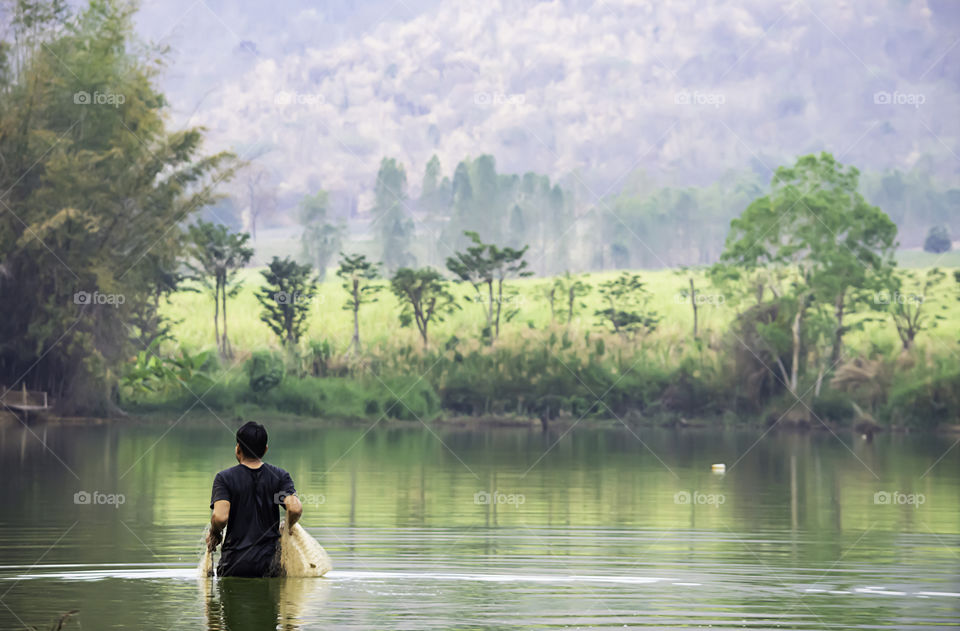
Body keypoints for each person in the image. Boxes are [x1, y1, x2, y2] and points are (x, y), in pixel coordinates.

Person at [206, 421, 303, 577]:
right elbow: (295, 508)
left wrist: (215, 532)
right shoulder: (279, 477)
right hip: (270, 565)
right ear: (265, 450)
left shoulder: (225, 479)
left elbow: (220, 517)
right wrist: (288, 528)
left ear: (238, 448)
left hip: (234, 564)